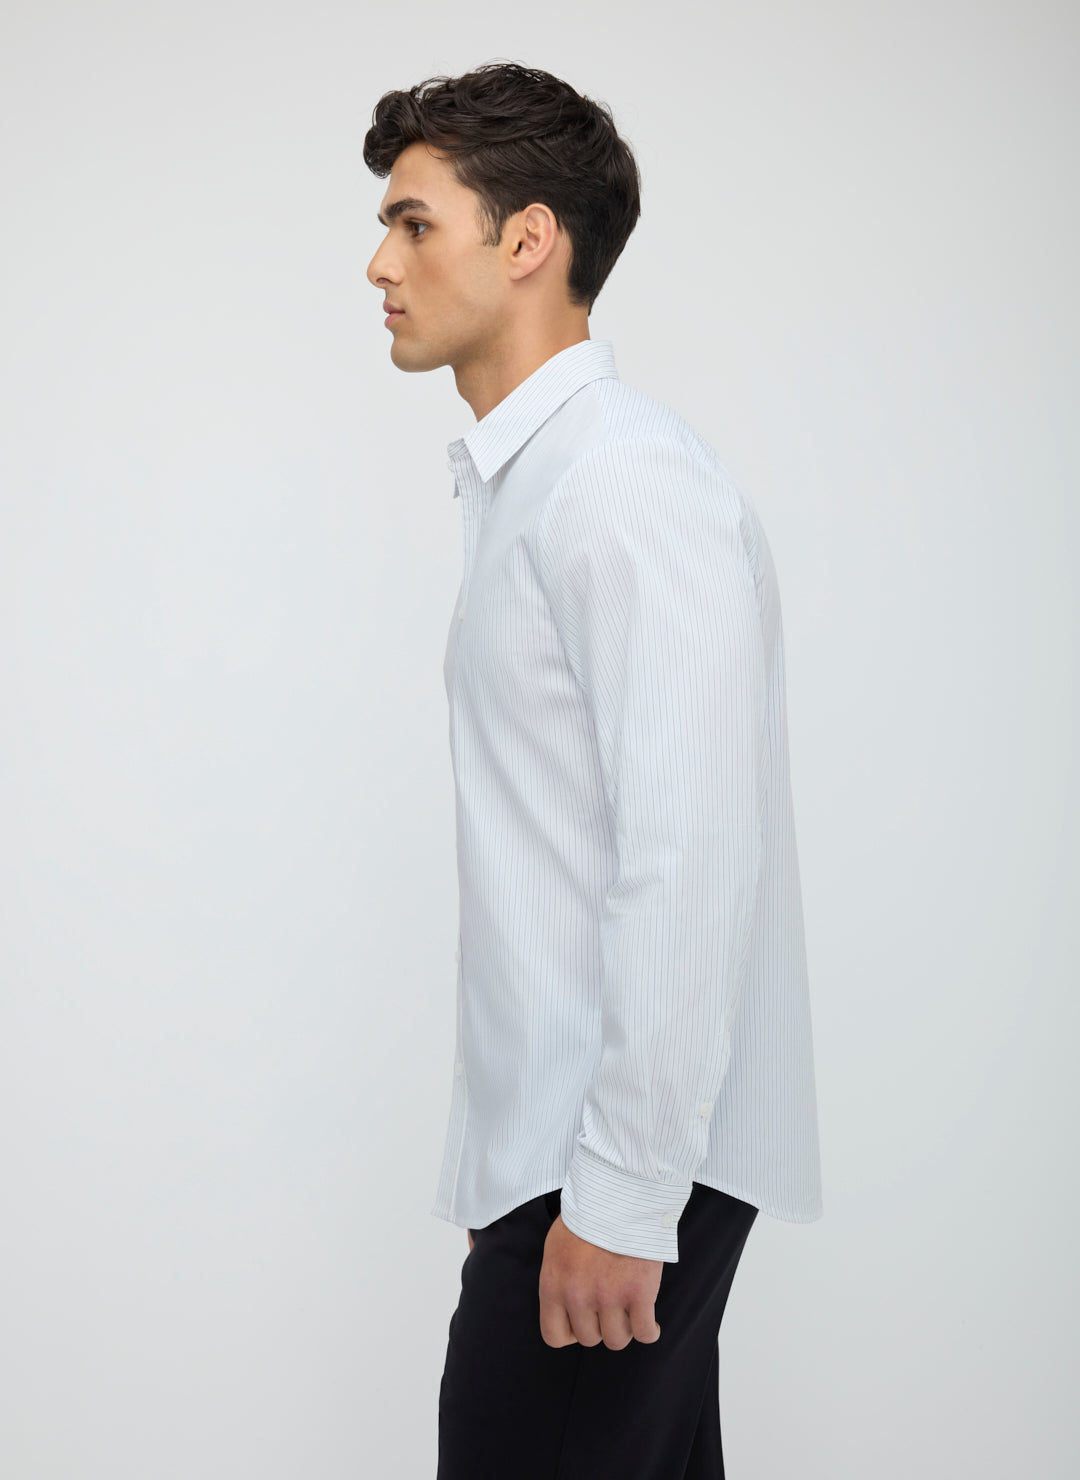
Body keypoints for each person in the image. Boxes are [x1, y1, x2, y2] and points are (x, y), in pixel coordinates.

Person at [364, 60, 823, 1480]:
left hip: (616, 1170)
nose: (379, 266)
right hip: (570, 1163)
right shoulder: (545, 485)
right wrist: (508, 1177)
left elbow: (689, 853)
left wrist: (618, 1195)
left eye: (415, 224)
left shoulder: (622, 481)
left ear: (528, 240)